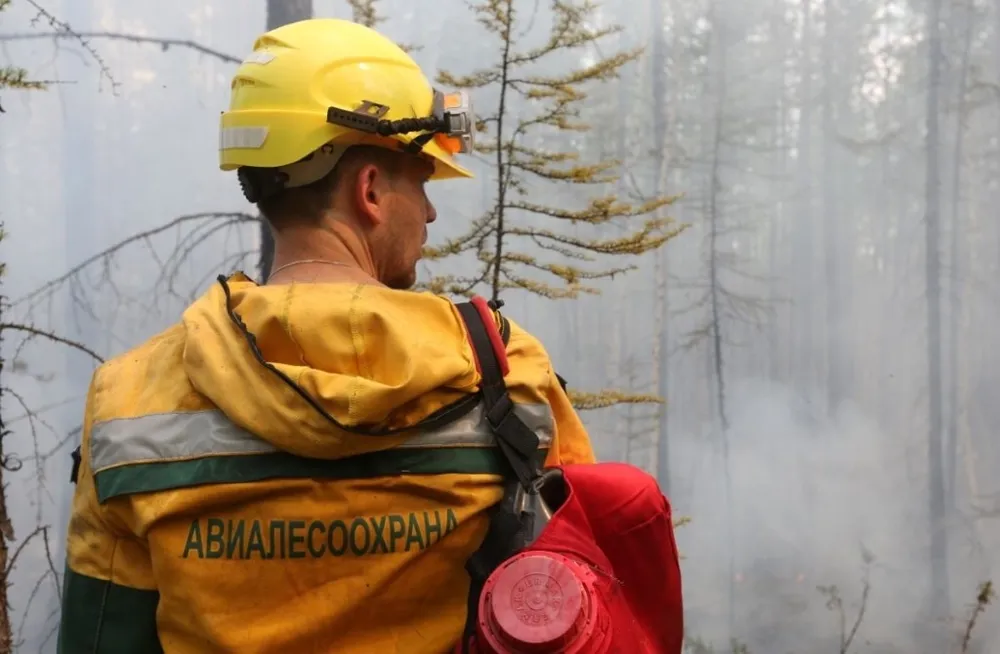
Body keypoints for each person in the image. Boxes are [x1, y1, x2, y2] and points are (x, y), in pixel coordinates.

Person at [56, 17, 597, 654]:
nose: (428, 211)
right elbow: (589, 595)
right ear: (369, 189)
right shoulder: (503, 371)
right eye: (420, 180)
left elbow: (101, 637)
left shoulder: (129, 399)